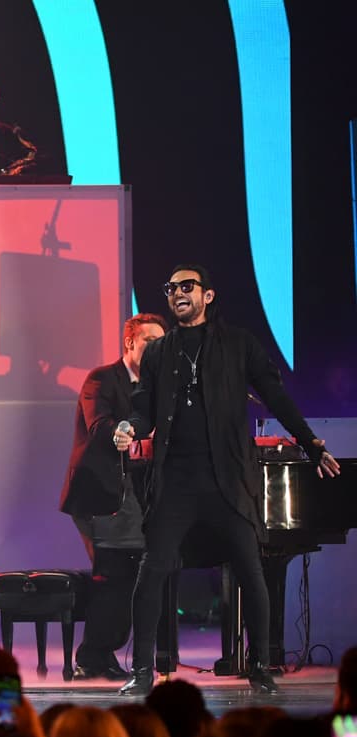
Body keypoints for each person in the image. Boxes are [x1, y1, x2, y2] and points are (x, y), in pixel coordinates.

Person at [113, 264, 342, 695]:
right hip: (176, 480)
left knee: (250, 570)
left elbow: (275, 395)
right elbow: (143, 407)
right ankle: (142, 670)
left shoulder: (238, 345)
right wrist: (130, 426)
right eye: (171, 288)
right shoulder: (159, 353)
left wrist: (311, 444)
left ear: (207, 296)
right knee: (152, 570)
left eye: (187, 286)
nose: (178, 293)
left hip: (228, 479)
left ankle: (260, 666)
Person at [59, 313, 168, 679]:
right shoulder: (102, 378)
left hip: (134, 496)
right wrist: (123, 435)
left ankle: (103, 652)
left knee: (132, 571)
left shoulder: (158, 385)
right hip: (99, 494)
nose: (156, 347)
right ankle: (94, 656)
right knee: (114, 572)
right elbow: (99, 425)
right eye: (149, 340)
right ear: (130, 343)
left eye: (161, 341)